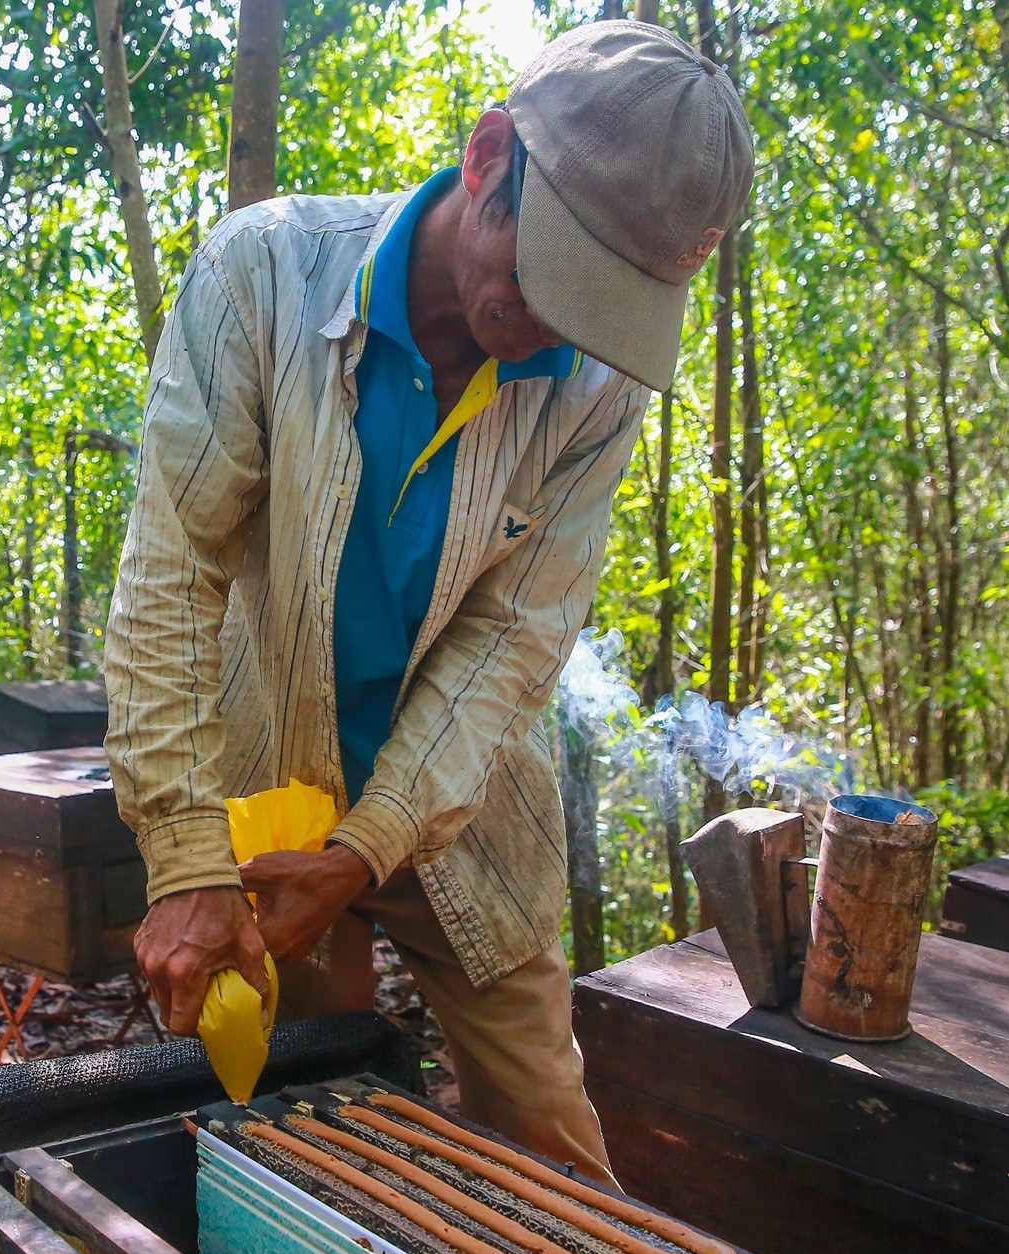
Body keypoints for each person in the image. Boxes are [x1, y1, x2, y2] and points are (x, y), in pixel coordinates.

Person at [103, 20, 753, 1183]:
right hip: (271, 806)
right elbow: (168, 576)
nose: (562, 324)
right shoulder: (263, 272)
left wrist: (371, 846)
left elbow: (512, 644)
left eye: (608, 302)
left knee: (551, 1135)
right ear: (487, 157)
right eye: (558, 274)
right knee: (304, 1136)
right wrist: (188, 858)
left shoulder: (596, 391)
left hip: (467, 809)